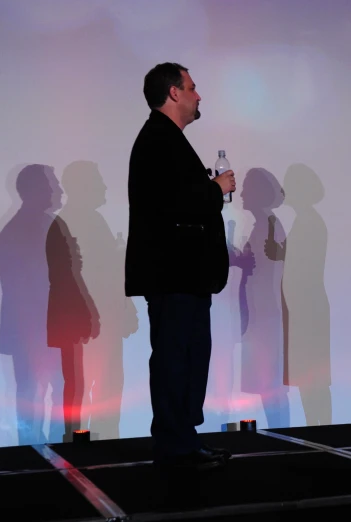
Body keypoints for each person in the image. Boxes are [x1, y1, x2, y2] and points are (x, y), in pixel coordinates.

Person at [125, 62, 236, 470]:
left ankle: (183, 441)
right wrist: (215, 188)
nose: (198, 94)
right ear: (174, 92)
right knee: (175, 358)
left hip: (183, 274)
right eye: (192, 86)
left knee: (187, 357)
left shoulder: (165, 138)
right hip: (174, 274)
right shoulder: (158, 138)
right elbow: (170, 203)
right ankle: (175, 446)